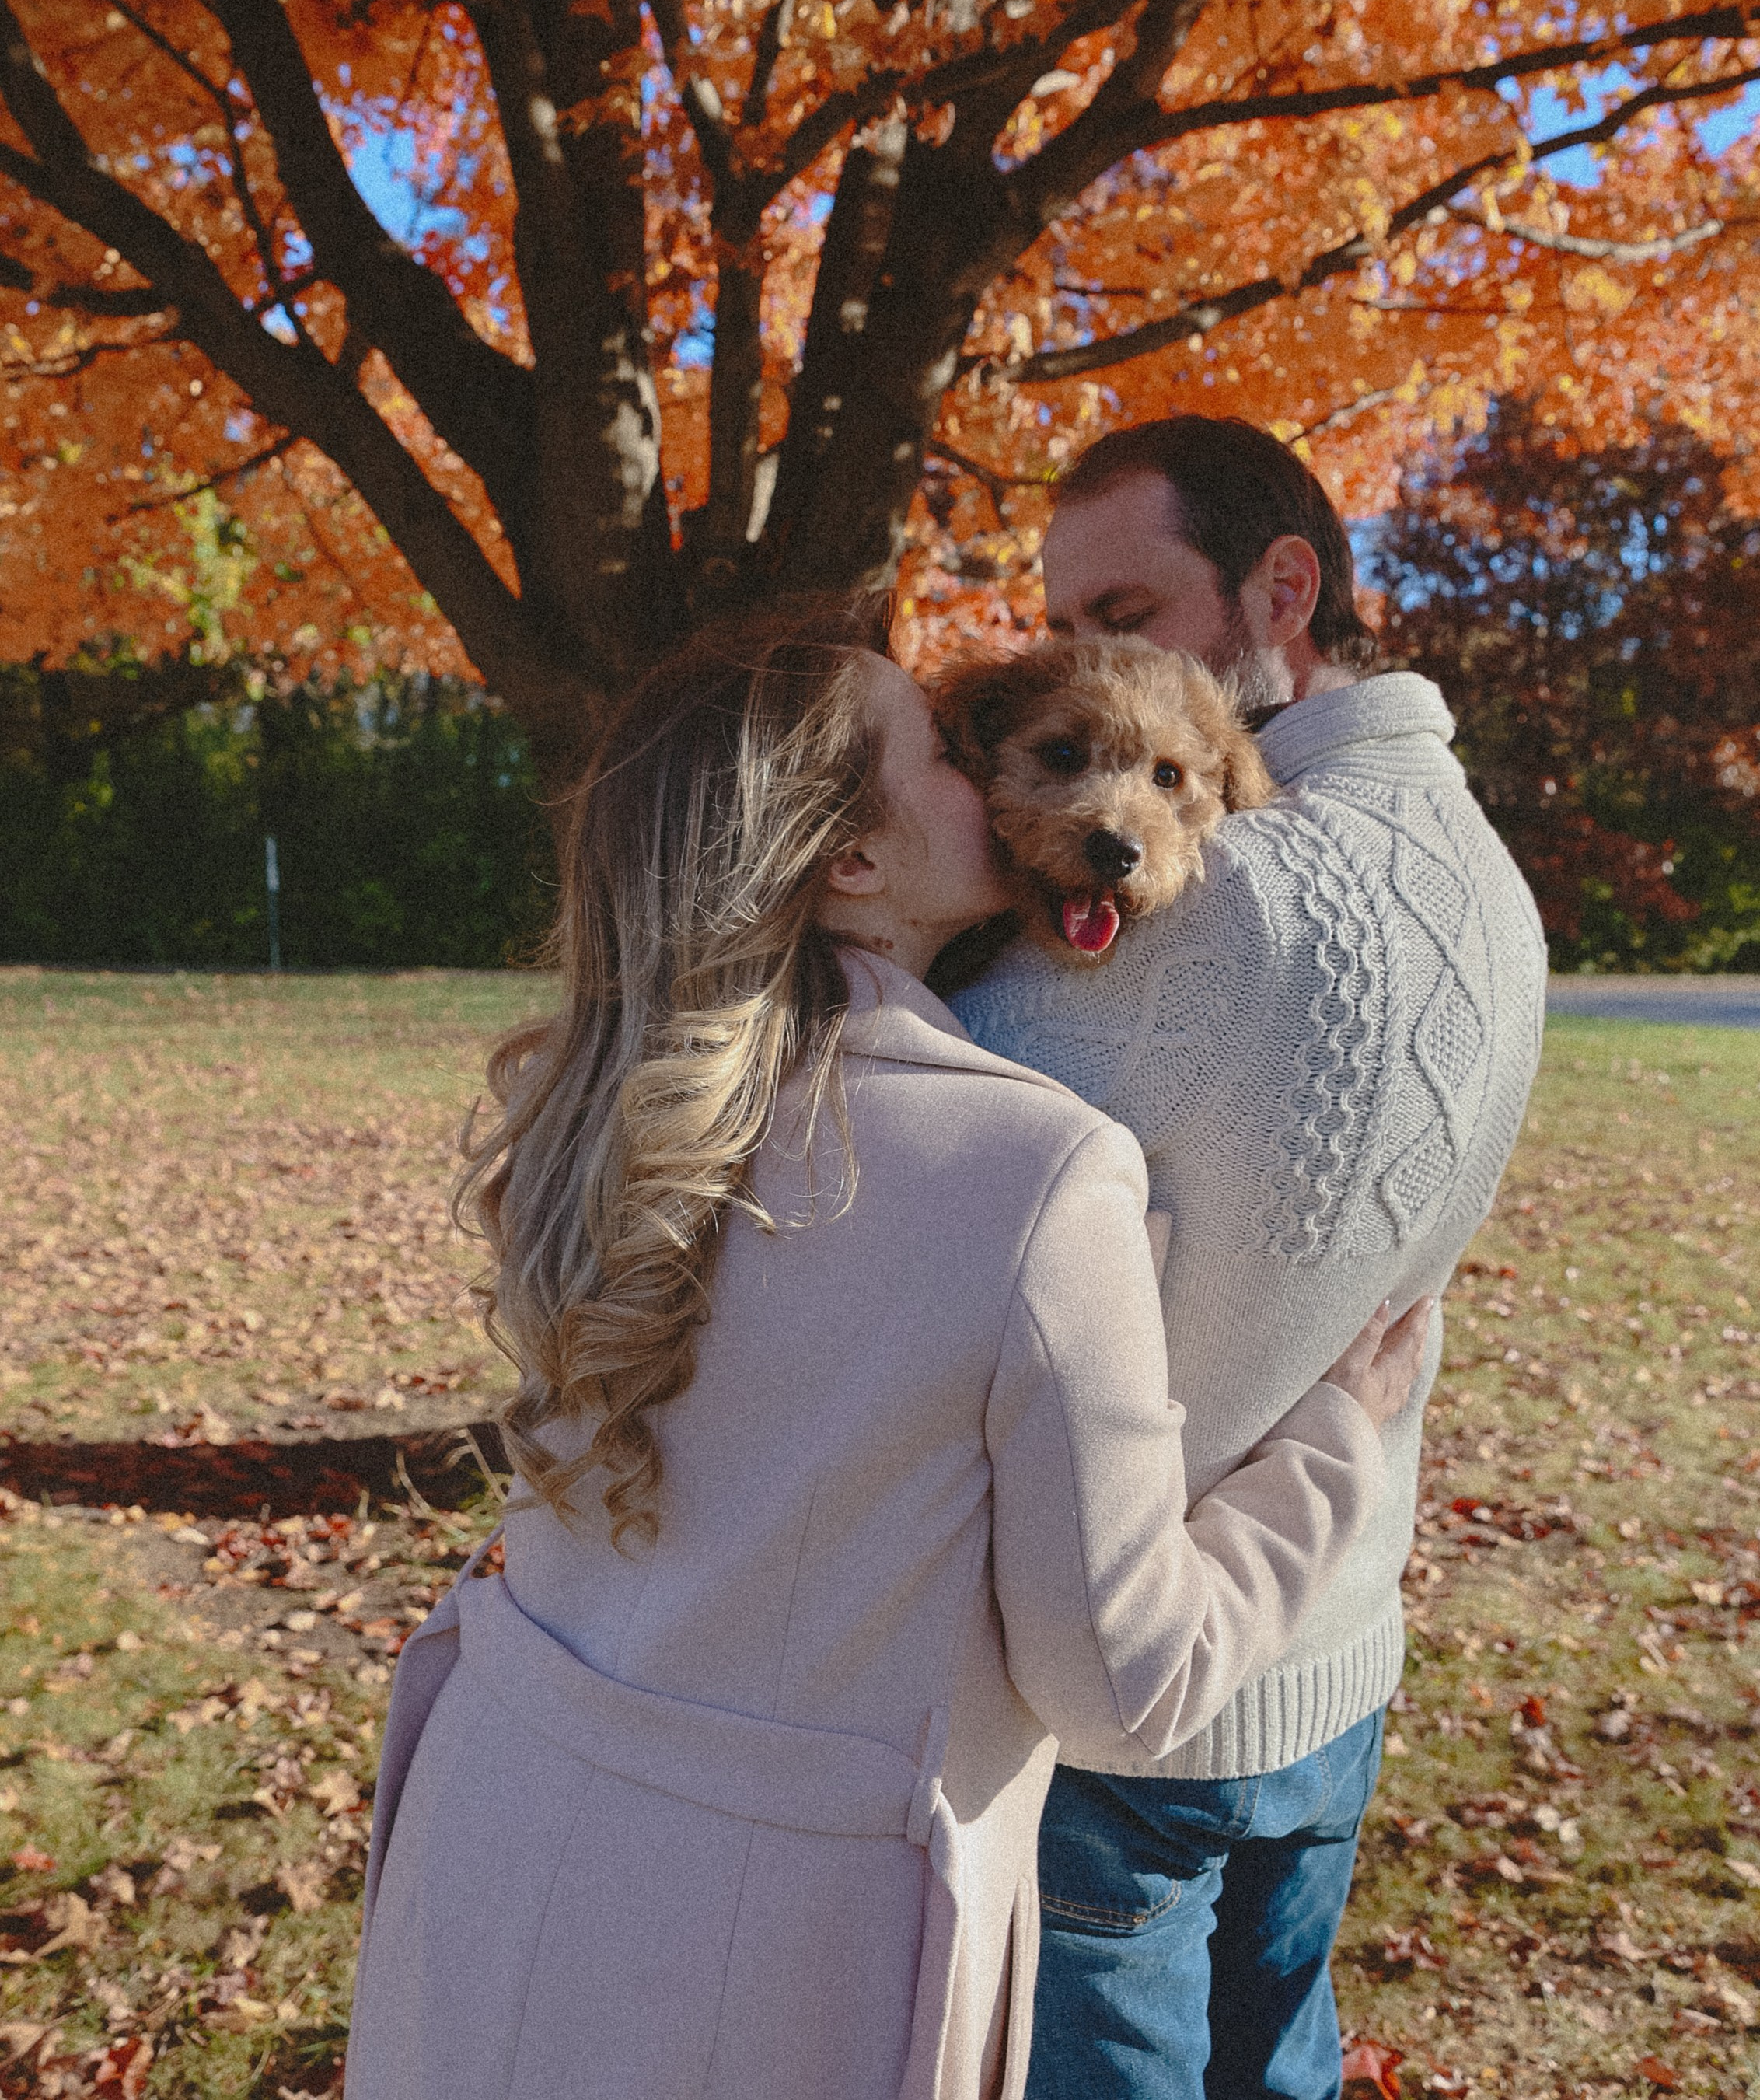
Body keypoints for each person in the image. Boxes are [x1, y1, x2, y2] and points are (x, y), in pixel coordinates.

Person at [345, 606, 1426, 2100]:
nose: (981, 769)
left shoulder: (593, 1112)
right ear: (849, 860)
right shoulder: (1039, 1174)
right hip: (778, 1959)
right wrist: (1334, 1443)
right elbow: (1125, 1681)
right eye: (941, 744)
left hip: (496, 1831)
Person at [954, 418, 1548, 2100]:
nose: (1089, 661)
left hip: (1129, 1693)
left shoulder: (1231, 900)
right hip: (1340, 1647)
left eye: (1129, 613)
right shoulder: (1492, 880)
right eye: (1067, 629)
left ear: (1281, 588)